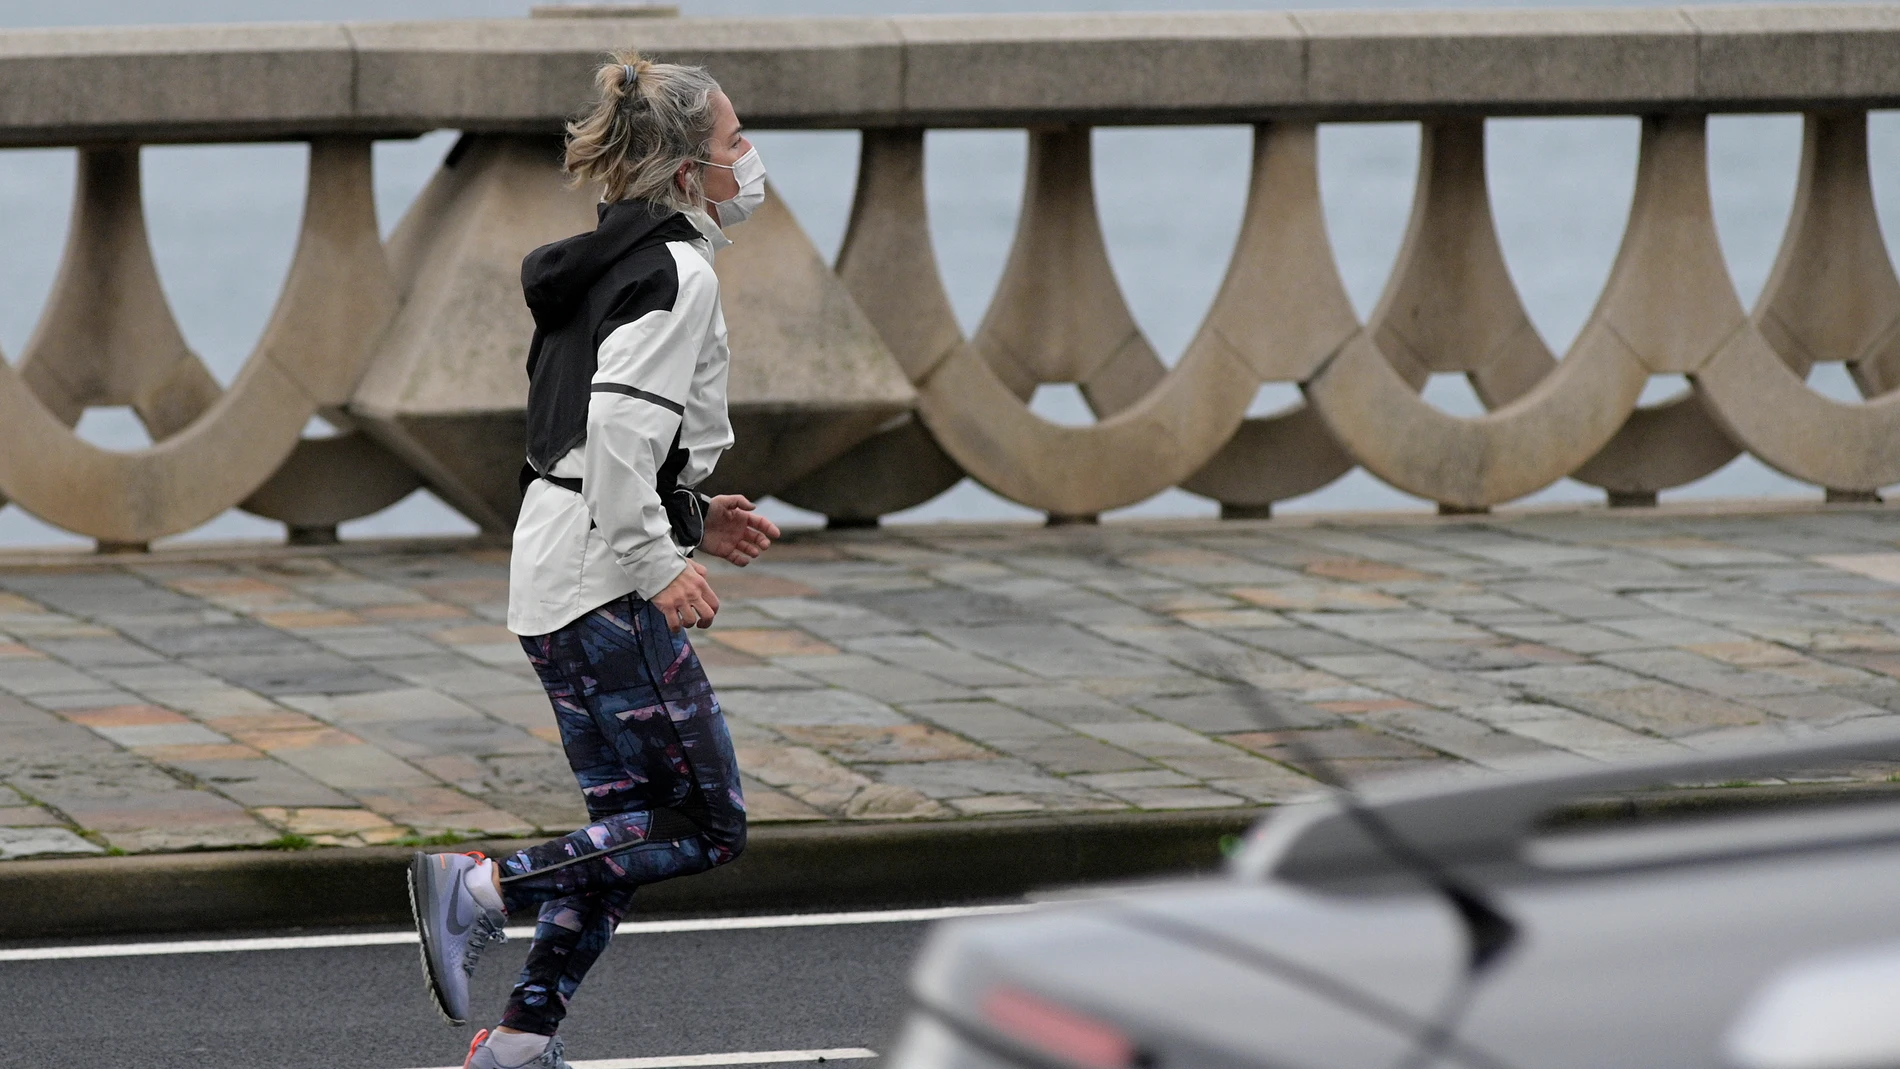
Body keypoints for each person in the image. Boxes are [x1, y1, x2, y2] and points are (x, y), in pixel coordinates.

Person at [405, 50, 782, 1069]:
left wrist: (694, 515)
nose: (749, 160)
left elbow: (589, 442)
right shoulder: (677, 273)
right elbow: (616, 438)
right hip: (606, 583)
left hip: (554, 570)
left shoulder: (609, 258)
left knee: (624, 831)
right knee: (705, 824)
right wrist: (662, 563)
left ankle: (520, 1041)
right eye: (732, 144)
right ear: (680, 171)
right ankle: (479, 887)